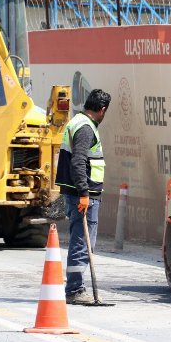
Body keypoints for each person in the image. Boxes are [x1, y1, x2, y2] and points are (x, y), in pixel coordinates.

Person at [56, 89, 111, 305]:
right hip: (83, 196)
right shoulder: (86, 128)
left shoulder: (77, 122)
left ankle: (75, 287)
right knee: (82, 242)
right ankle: (76, 289)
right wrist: (84, 193)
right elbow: (78, 161)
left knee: (80, 240)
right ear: (102, 110)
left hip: (77, 194)